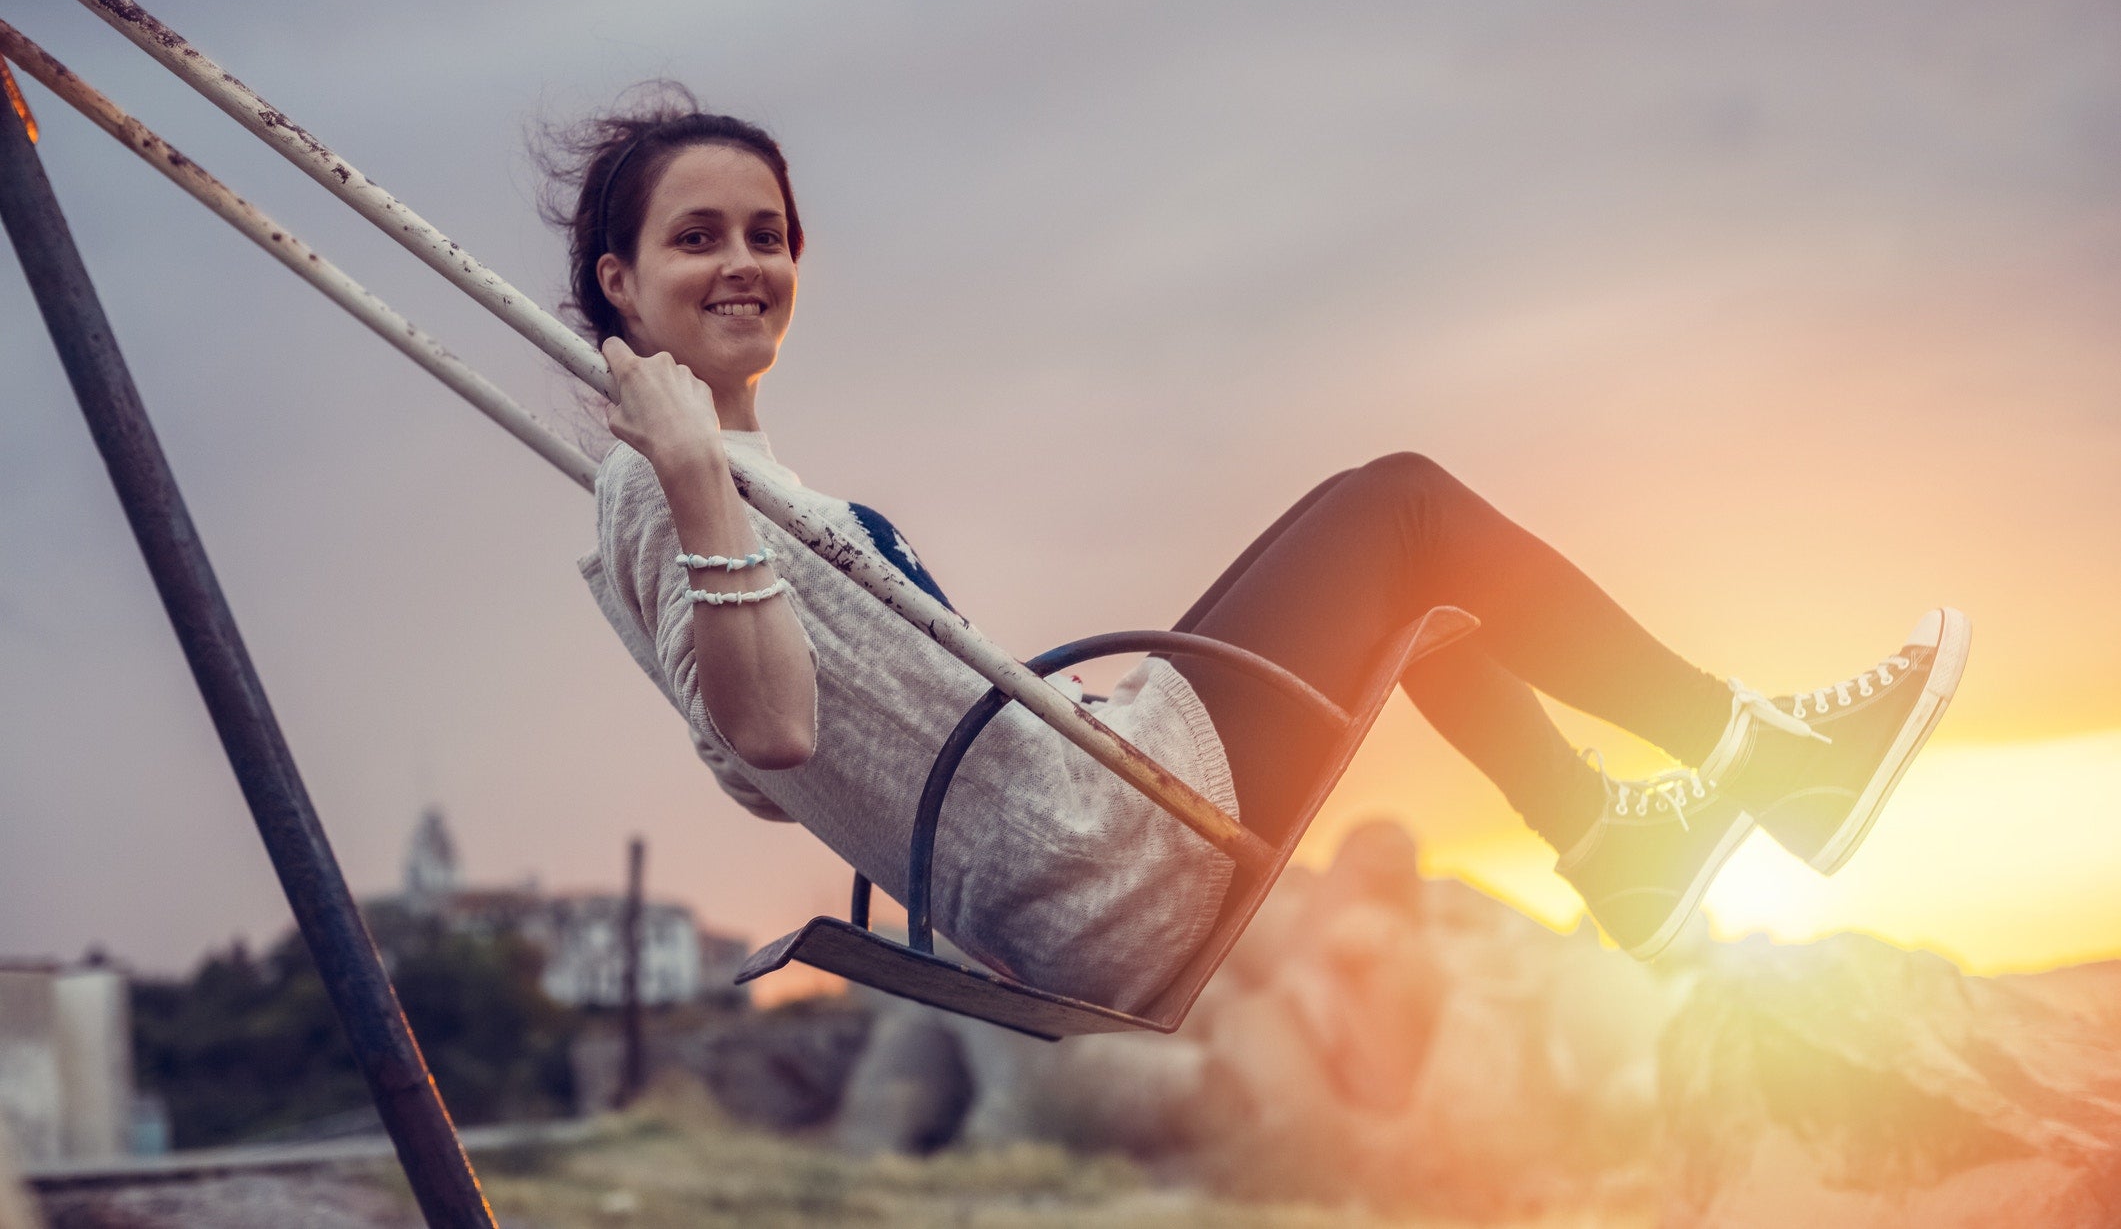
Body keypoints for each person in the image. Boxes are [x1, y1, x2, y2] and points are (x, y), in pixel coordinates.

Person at [551, 89, 1970, 1010]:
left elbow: (759, 751)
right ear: (620, 280)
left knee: (1408, 582)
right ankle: (1758, 754)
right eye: (697, 238)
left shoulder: (715, 483)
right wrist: (687, 472)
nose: (745, 260)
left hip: (1075, 835)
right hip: (1100, 857)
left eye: (768, 231)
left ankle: (1617, 850)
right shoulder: (669, 486)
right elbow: (771, 727)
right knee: (1404, 510)